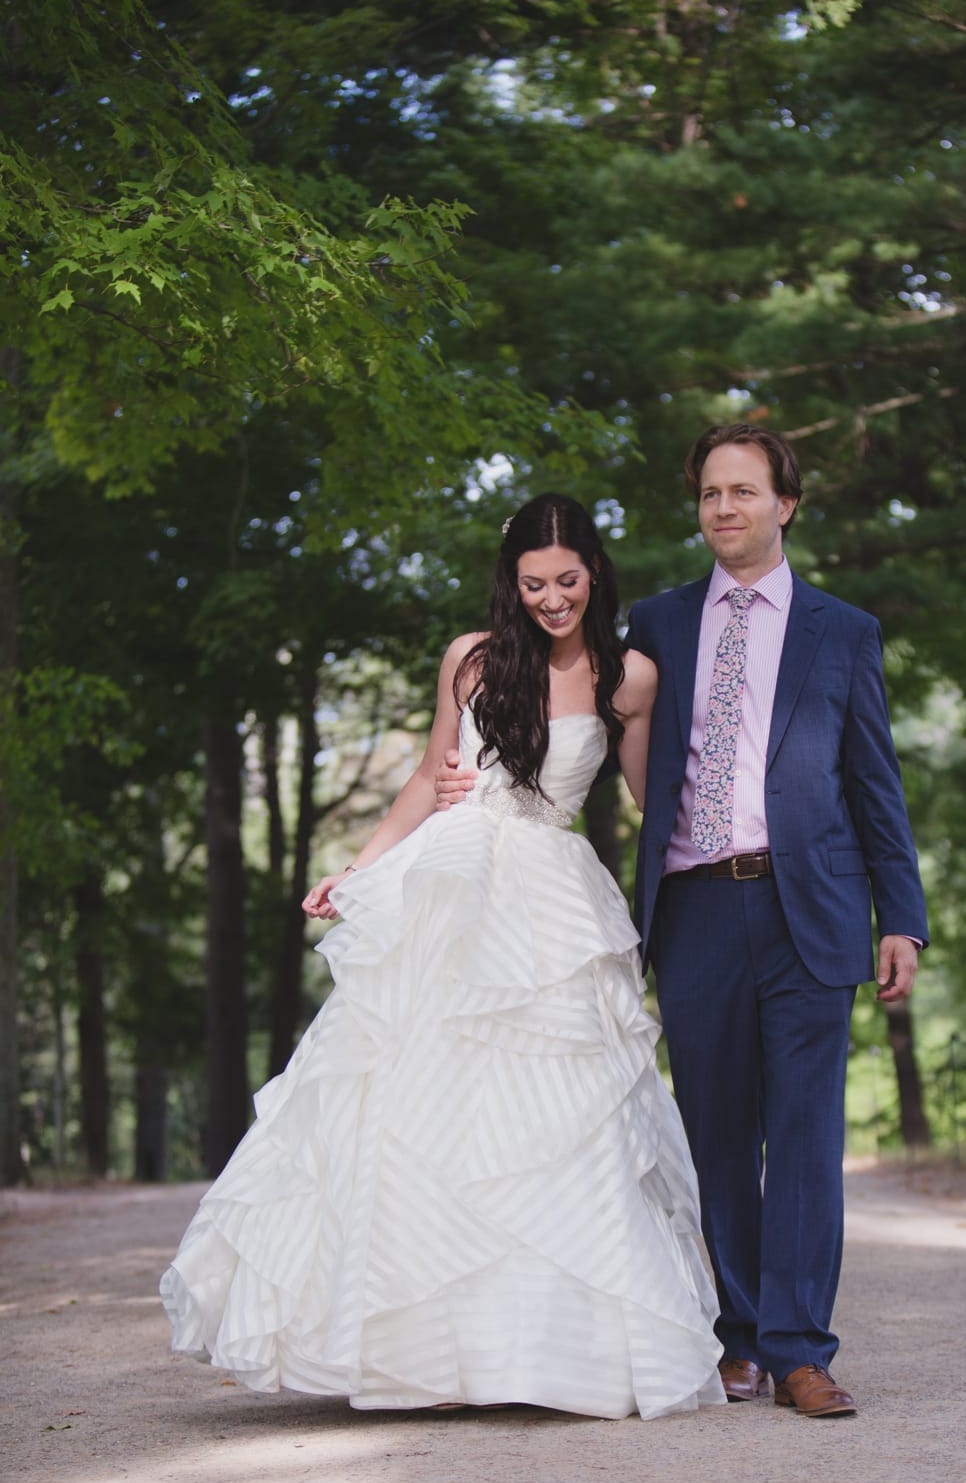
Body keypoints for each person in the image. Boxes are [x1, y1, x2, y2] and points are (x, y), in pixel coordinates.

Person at [160, 494, 727, 1420]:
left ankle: (550, 1353)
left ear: (595, 573)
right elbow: (431, 775)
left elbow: (649, 796)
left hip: (553, 895)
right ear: (512, 582)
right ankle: (424, 1347)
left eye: (569, 581)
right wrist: (357, 869)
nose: (552, 600)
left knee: (558, 1112)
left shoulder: (631, 678)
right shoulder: (471, 660)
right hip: (455, 878)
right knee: (418, 1097)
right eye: (534, 584)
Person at [437, 427, 928, 1418]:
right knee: (713, 1133)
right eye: (709, 493)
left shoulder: (843, 632)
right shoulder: (653, 628)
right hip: (695, 902)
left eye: (744, 491)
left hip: (813, 909)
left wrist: (900, 917)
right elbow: (548, 658)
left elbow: (876, 785)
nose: (724, 509)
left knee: (800, 1132)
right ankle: (734, 1335)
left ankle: (799, 1349)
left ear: (786, 503)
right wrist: (473, 763)